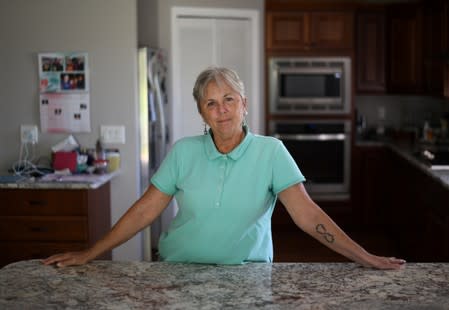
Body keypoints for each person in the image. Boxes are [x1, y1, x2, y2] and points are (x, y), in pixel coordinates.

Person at [43, 66, 405, 269]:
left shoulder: (271, 152)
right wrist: (91, 253)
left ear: (244, 104)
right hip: (178, 271)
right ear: (201, 112)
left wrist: (365, 256)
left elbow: (307, 215)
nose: (222, 110)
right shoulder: (184, 152)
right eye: (211, 103)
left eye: (229, 100)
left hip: (247, 277)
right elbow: (144, 211)